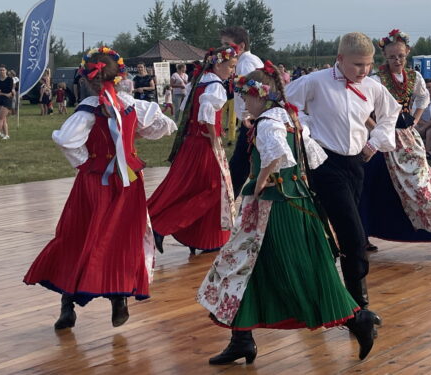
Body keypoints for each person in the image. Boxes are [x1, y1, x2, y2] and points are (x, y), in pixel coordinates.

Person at [200, 62, 374, 365]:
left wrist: (261, 181)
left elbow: (278, 153)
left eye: (246, 97)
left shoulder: (268, 122)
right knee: (246, 270)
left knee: (297, 274)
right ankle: (241, 339)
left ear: (259, 96)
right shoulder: (291, 117)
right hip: (294, 203)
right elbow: (315, 159)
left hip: (276, 210)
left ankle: (357, 320)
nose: (243, 104)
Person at [23, 47, 176, 330]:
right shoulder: (130, 104)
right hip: (128, 181)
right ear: (117, 77)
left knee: (80, 237)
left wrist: (87, 162)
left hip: (96, 181)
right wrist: (129, 142)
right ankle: (119, 298)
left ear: (86, 79)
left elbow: (66, 140)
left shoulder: (89, 109)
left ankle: (68, 304)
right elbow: (165, 125)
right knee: (121, 239)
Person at [285, 32, 400, 341]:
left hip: (356, 164)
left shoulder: (373, 86)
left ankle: (346, 304)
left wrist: (374, 143)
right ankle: (358, 309)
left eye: (368, 64)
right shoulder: (315, 81)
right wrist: (307, 133)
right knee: (353, 234)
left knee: (344, 236)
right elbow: (287, 107)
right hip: (324, 164)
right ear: (340, 59)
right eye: (357, 65)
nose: (363, 70)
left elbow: (391, 115)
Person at [360, 29, 431, 258]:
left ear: (407, 53)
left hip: (408, 139)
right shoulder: (376, 80)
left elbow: (423, 97)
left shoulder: (415, 77)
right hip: (383, 142)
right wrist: (377, 128)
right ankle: (363, 235)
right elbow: (361, 109)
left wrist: (416, 119)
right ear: (385, 57)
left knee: (423, 186)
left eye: (400, 56)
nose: (397, 61)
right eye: (391, 57)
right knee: (373, 188)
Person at [147, 45, 239, 255]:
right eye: (231, 67)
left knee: (191, 189)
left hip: (192, 143)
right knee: (214, 189)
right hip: (204, 146)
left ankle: (201, 237)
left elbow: (187, 109)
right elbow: (206, 112)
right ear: (219, 63)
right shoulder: (215, 85)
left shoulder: (201, 80)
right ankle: (163, 227)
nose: (232, 71)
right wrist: (215, 138)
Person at [221, 26, 264, 199]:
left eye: (227, 44)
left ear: (242, 45)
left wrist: (248, 114)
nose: (224, 49)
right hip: (251, 119)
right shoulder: (245, 61)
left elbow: (255, 91)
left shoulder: (246, 63)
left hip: (253, 121)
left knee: (239, 166)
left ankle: (225, 205)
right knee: (242, 165)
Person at [416, 80, 431, 159]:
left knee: (429, 130)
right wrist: (422, 125)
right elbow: (415, 116)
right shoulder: (419, 99)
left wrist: (424, 127)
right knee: (411, 129)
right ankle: (414, 154)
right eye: (428, 87)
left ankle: (427, 154)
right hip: (420, 123)